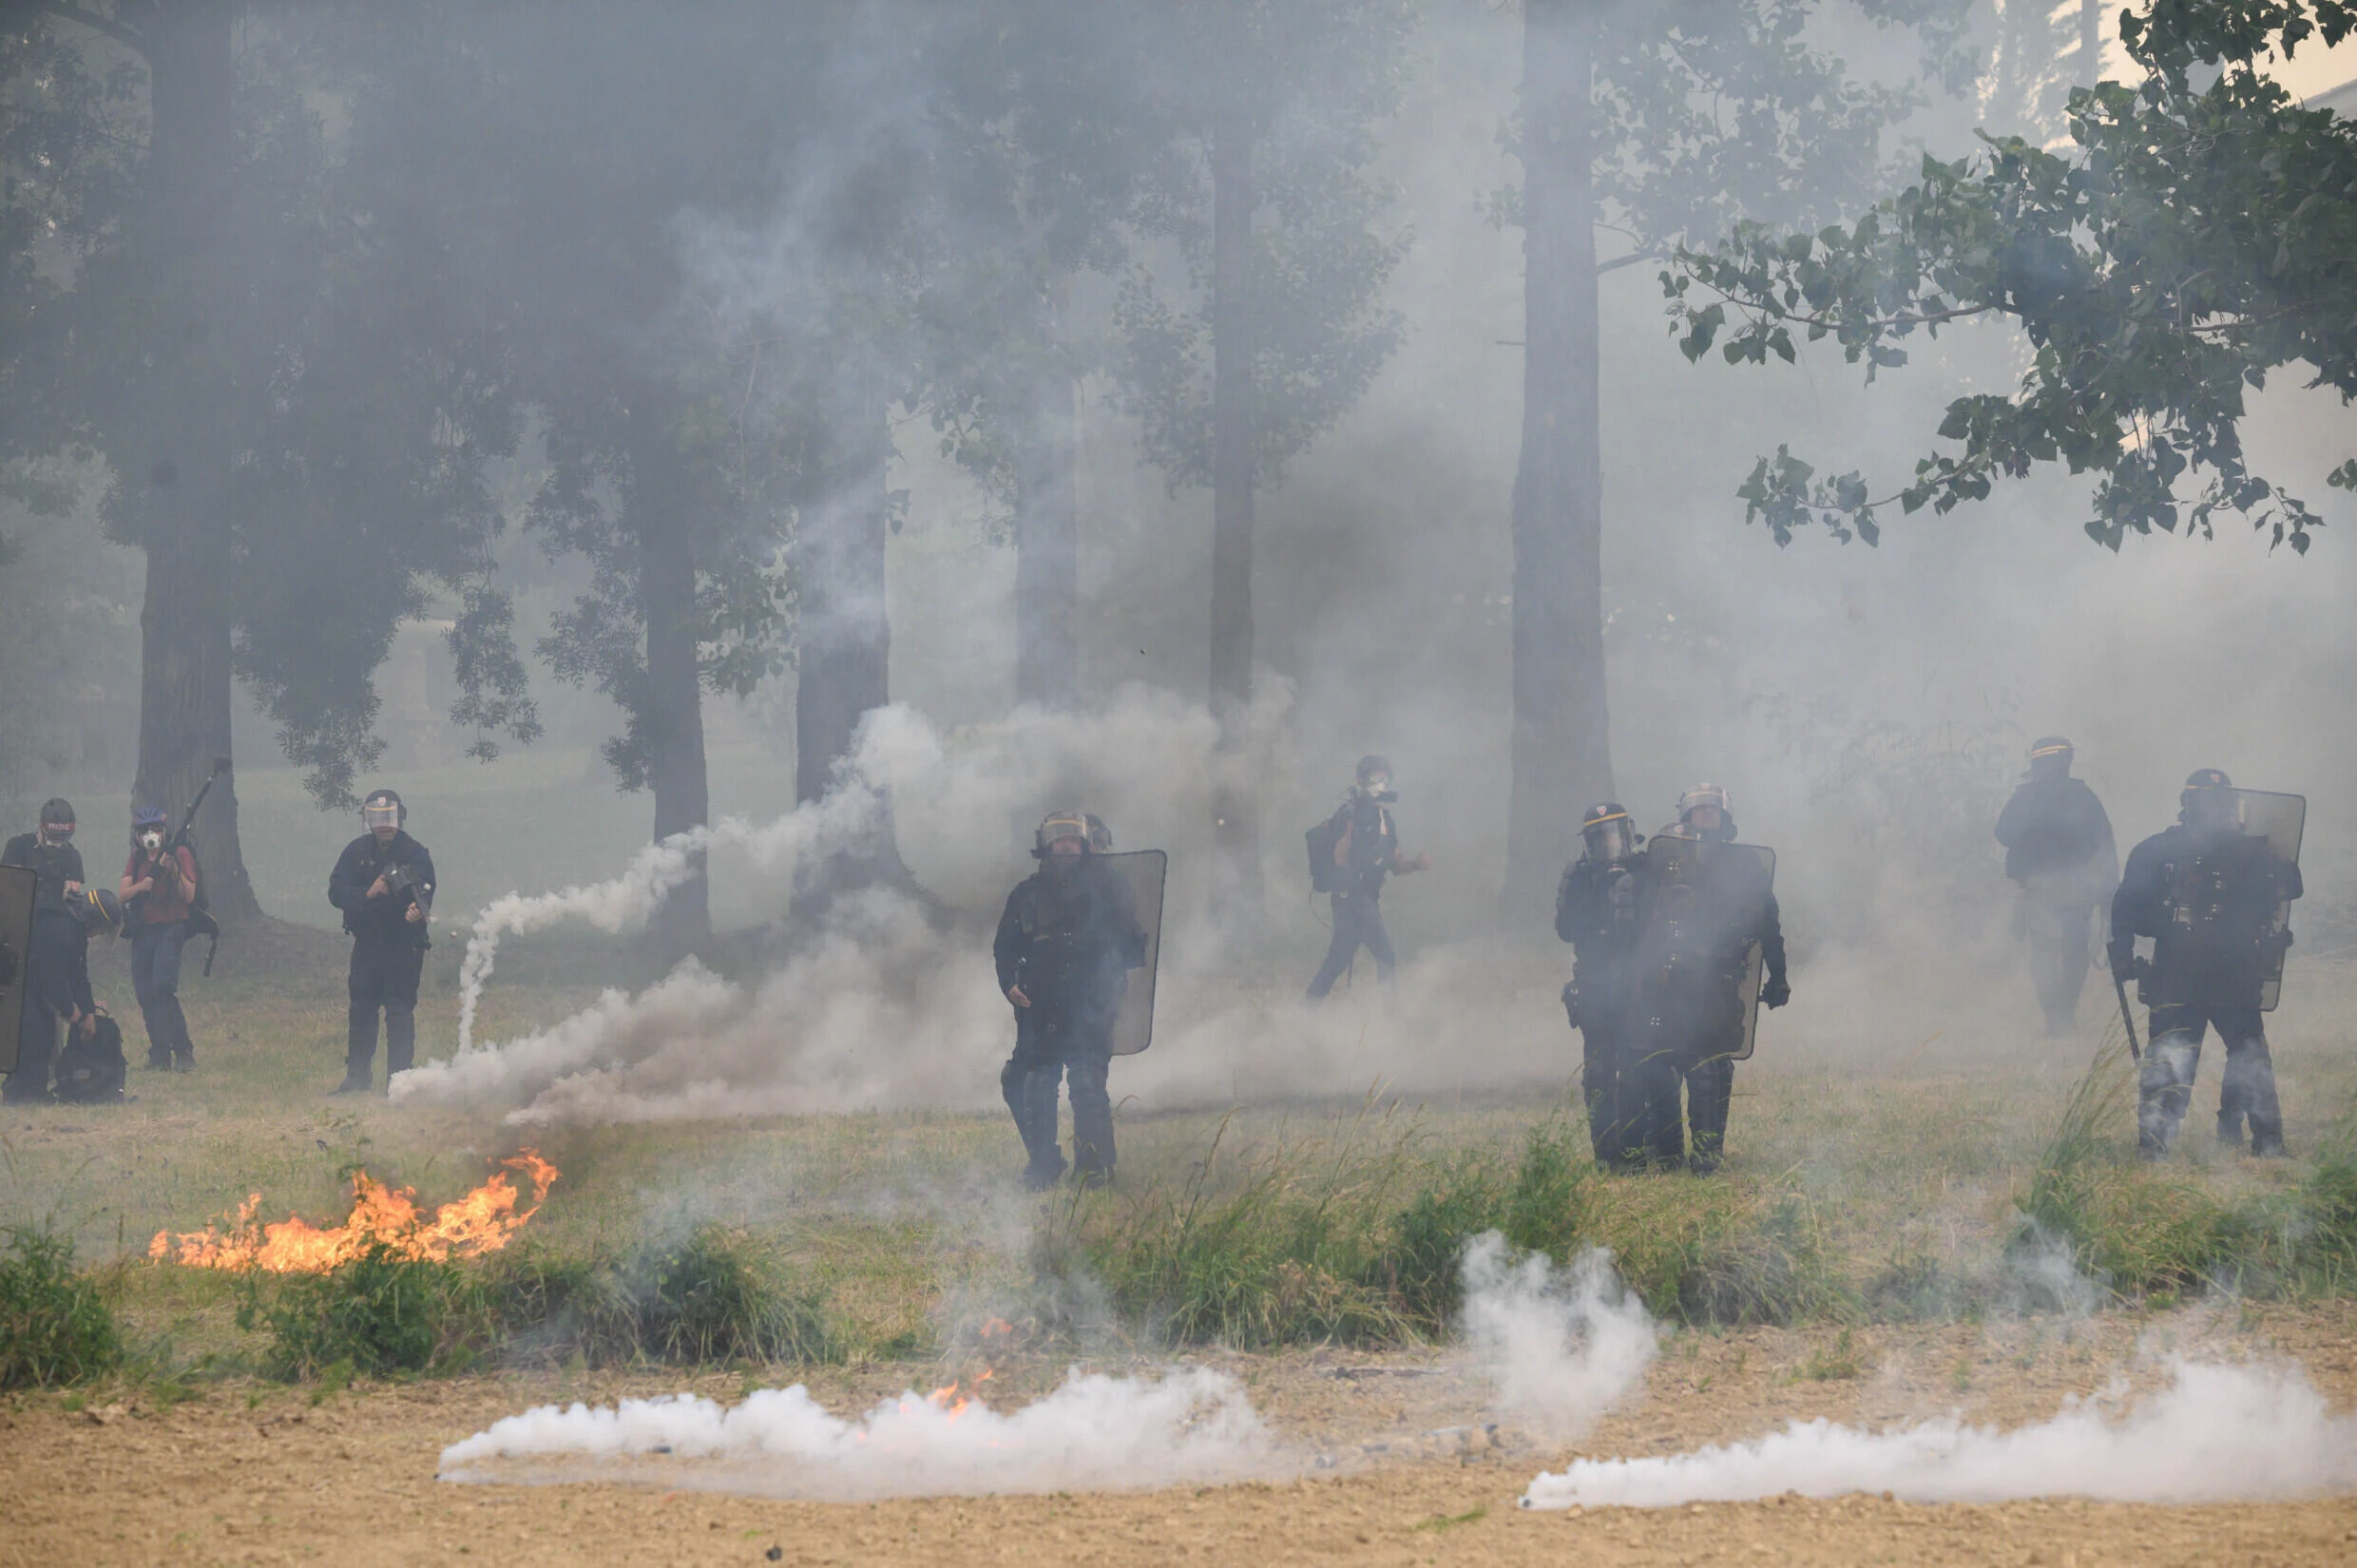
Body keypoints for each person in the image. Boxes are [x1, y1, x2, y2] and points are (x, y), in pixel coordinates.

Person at [2109, 770, 2303, 1157]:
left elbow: (2125, 907)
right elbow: (2291, 887)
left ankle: (2157, 1144)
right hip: (2221, 974)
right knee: (2243, 1054)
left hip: (2186, 975)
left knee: (2182, 1055)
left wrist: (2124, 955)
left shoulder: (2160, 848)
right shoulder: (2251, 852)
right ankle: (2264, 1142)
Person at [994, 810, 1147, 1190]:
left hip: (1090, 1003)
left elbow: (1131, 946)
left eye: (1073, 839)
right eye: (1059, 839)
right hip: (1040, 1006)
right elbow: (1005, 949)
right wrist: (1009, 982)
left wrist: (1112, 959)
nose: (1066, 845)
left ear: (1085, 846)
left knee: (1086, 1082)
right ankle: (1043, 1164)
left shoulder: (1109, 889)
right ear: (1046, 845)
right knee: (1031, 1083)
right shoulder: (1025, 894)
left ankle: (1095, 1169)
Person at [1659, 784, 1790, 1172]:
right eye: (1699, 812)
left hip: (1723, 979)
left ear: (1726, 819)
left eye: (1713, 812)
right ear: (1686, 819)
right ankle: (1671, 1154)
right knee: (1677, 1064)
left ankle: (1708, 1153)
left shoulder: (1745, 867)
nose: (1707, 818)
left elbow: (1768, 926)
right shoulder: (1671, 863)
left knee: (1717, 1065)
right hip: (1678, 980)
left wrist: (1779, 977)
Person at [1995, 737, 2118, 1036]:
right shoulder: (2083, 795)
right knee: (2073, 950)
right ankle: (2064, 1014)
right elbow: (2104, 843)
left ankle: (2055, 1017)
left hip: (2043, 888)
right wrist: (2108, 887)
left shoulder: (2024, 797)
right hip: (2073, 888)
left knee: (2044, 952)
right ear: (2066, 762)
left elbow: (2003, 833)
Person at [1555, 802, 1647, 1168]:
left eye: (1614, 837)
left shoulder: (1644, 870)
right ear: (1588, 845)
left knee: (1638, 1069)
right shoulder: (1577, 877)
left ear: (1628, 835)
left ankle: (1636, 1151)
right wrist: (1599, 895)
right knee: (1597, 1074)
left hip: (1635, 983)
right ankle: (1607, 1157)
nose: (1609, 846)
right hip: (1595, 985)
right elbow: (1565, 929)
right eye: (1599, 840)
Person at [327, 789, 435, 1095]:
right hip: (368, 945)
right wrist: (368, 894)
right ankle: (357, 1079)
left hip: (403, 946)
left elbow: (426, 891)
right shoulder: (355, 852)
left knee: (399, 1012)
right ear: (368, 821)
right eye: (378, 818)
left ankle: (399, 1084)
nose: (385, 825)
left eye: (389, 818)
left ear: (400, 818)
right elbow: (336, 893)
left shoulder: (415, 853)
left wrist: (417, 910)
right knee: (361, 1010)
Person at [1304, 755, 1430, 1001]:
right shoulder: (1349, 814)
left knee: (1336, 962)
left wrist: (1416, 864)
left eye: (1385, 778)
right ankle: (1389, 1018)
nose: (1380, 783)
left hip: (1366, 900)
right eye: (1375, 777)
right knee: (1386, 956)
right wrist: (1349, 835)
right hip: (1352, 900)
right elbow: (1340, 857)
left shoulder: (1385, 820)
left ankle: (1305, 1010)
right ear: (1361, 780)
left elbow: (1395, 864)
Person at [2, 800, 86, 1104]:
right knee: (24, 1021)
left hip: (48, 945)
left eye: (64, 839)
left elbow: (74, 892)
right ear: (42, 828)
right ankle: (19, 1087)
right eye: (54, 837)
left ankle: (34, 1087)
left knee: (44, 1022)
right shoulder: (19, 847)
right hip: (15, 945)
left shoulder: (72, 857)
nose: (58, 844)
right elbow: (7, 888)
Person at [121, 804, 200, 1072]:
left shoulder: (179, 853)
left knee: (162, 987)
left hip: (170, 927)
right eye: (144, 831)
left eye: (155, 829)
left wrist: (172, 869)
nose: (150, 835)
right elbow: (122, 893)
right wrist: (141, 887)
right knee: (145, 993)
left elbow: (188, 895)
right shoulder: (137, 858)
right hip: (144, 931)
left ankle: (183, 1050)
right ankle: (159, 1054)